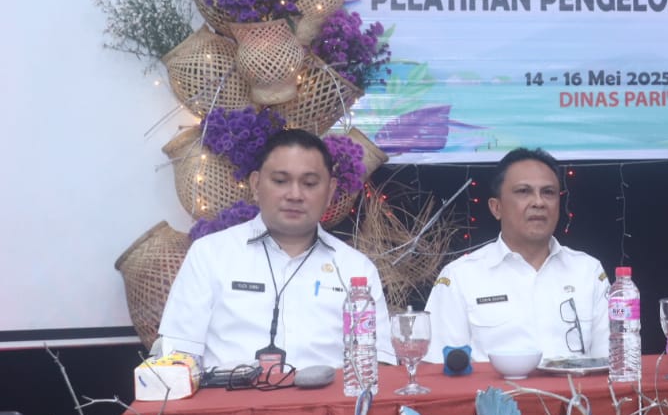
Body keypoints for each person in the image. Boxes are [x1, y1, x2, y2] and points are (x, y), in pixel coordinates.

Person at [157, 129, 394, 370]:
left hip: (329, 394)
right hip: (230, 393)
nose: (295, 195)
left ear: (330, 191)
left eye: (310, 183)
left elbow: (379, 366)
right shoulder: (210, 255)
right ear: (256, 184)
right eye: (280, 181)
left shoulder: (356, 269)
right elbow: (178, 357)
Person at [424, 148, 610, 363]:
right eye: (523, 191)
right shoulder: (460, 277)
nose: (538, 202)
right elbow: (436, 367)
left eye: (548, 192)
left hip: (575, 386)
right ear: (496, 208)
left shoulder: (588, 271)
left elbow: (612, 362)